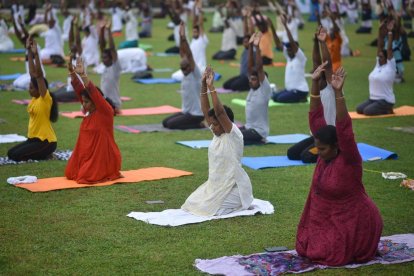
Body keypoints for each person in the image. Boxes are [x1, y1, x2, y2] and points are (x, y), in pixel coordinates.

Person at [296, 63, 383, 266]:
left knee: (329, 255)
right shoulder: (325, 151)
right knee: (305, 248)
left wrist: (338, 93)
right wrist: (315, 83)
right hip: (326, 216)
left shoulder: (349, 158)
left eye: (323, 149)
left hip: (354, 221)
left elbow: (344, 128)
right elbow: (315, 118)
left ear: (336, 145)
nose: (319, 152)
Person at [181, 66, 254, 216]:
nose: (212, 127)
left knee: (209, 210)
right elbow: (206, 110)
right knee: (191, 204)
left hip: (235, 188)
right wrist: (203, 84)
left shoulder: (234, 135)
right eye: (212, 123)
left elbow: (219, 112)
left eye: (216, 123)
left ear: (226, 122)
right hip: (216, 185)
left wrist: (212, 87)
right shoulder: (217, 133)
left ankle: (239, 204)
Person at [65, 57, 122, 184]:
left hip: (103, 157)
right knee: (70, 173)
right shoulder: (90, 111)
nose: (83, 105)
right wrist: (71, 71)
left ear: (96, 101)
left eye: (86, 102)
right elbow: (80, 90)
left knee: (85, 177)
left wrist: (83, 75)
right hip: (86, 154)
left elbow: (93, 92)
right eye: (83, 101)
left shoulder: (105, 112)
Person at [7, 38, 58, 161]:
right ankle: (45, 155)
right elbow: (32, 74)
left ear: (39, 88)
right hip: (33, 139)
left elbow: (38, 75)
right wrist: (29, 51)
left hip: (46, 141)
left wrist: (36, 54)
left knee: (17, 156)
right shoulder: (34, 99)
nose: (29, 89)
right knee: (10, 153)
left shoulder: (45, 98)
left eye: (31, 87)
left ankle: (47, 155)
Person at [162, 22, 204, 130]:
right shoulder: (185, 72)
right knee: (165, 123)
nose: (184, 71)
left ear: (190, 66)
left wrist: (184, 37)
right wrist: (181, 37)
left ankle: (198, 125)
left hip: (196, 115)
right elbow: (182, 52)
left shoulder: (196, 74)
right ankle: (194, 124)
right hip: (186, 112)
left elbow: (189, 54)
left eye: (185, 68)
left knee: (171, 125)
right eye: (182, 69)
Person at [356, 19, 396, 115]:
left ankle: (388, 110)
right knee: (359, 109)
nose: (379, 58)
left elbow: (389, 49)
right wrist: (379, 31)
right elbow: (379, 46)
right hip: (373, 99)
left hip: (385, 101)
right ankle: (381, 109)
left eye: (381, 57)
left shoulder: (390, 66)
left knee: (367, 111)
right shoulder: (378, 66)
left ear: (387, 58)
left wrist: (390, 32)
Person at [239, 32, 271, 145]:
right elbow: (250, 67)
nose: (250, 81)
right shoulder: (253, 88)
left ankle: (260, 140)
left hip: (258, 131)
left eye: (254, 79)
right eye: (251, 79)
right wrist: (251, 46)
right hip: (249, 127)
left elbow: (259, 67)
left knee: (234, 138)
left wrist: (257, 47)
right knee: (227, 132)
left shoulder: (264, 90)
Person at [272, 14, 309, 103]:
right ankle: (294, 97)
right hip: (289, 90)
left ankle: (302, 99)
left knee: (280, 99)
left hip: (300, 91)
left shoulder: (300, 57)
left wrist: (285, 25)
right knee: (274, 97)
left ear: (296, 49)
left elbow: (292, 42)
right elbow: (278, 44)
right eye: (288, 50)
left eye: (290, 49)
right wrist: (272, 27)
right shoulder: (289, 58)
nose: (288, 51)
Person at [172, 0, 208, 81]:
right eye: (193, 31)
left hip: (201, 68)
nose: (194, 33)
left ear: (199, 32)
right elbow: (194, 21)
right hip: (192, 66)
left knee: (192, 76)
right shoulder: (193, 41)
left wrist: (201, 13)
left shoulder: (202, 39)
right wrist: (195, 7)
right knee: (174, 76)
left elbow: (201, 25)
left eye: (196, 32)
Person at [222, 7, 254, 92]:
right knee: (226, 85)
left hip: (249, 77)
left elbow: (251, 31)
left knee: (234, 87)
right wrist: (244, 18)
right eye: (244, 42)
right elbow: (245, 32)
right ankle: (245, 85)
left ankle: (249, 86)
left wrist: (249, 17)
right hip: (242, 75)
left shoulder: (253, 49)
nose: (245, 43)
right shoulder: (245, 50)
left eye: (247, 41)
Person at [99, 22, 122, 113]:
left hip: (114, 104)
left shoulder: (115, 67)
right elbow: (101, 46)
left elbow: (112, 49)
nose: (103, 60)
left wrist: (108, 31)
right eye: (102, 58)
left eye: (105, 58)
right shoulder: (105, 67)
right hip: (105, 102)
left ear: (111, 58)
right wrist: (101, 30)